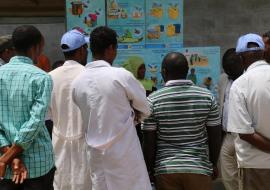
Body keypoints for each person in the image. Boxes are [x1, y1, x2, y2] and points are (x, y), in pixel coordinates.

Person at [72, 26, 151, 190]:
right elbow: (145, 108)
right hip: (124, 153)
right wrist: (134, 114)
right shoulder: (120, 76)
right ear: (111, 48)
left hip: (96, 154)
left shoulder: (77, 82)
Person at [142, 52, 222, 190]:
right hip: (199, 168)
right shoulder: (207, 97)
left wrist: (149, 170)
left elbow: (149, 141)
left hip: (166, 170)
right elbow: (215, 136)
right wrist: (213, 164)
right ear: (187, 71)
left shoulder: (152, 100)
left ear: (164, 72)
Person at [0, 25, 55, 189]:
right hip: (36, 162)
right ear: (36, 47)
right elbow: (36, 121)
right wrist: (9, 157)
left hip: (6, 166)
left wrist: (9, 155)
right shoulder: (41, 77)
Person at [48, 29, 91, 190]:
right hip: (87, 143)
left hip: (59, 143)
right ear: (81, 50)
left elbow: (48, 114)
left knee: (62, 183)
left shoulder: (50, 77)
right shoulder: (88, 75)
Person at [227, 33, 270, 190]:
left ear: (240, 58)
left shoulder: (240, 85)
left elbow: (245, 133)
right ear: (263, 53)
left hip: (255, 165)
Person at [218, 48, 244, 190]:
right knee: (227, 175)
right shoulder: (223, 79)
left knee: (245, 175)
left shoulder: (249, 78)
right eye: (226, 69)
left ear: (241, 63)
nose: (228, 73)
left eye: (231, 69)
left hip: (245, 136)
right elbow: (222, 105)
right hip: (227, 135)